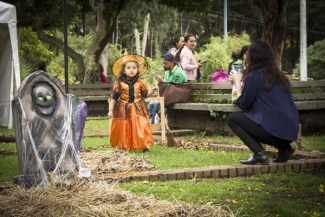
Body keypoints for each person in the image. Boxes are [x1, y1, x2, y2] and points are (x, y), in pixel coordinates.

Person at [227, 39, 299, 165]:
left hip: (274, 131)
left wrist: (238, 82)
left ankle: (259, 153)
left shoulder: (255, 76)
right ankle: (284, 148)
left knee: (233, 118)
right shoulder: (280, 76)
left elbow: (243, 104)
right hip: (290, 132)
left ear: (253, 56)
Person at [108, 51, 157, 151]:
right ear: (124, 71)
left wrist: (153, 90)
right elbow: (114, 98)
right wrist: (110, 110)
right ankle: (123, 145)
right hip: (123, 108)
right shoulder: (119, 84)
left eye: (134, 68)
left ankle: (143, 145)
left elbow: (145, 95)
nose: (131, 70)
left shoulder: (140, 83)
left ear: (137, 70)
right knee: (123, 127)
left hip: (138, 108)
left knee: (140, 126)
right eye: (128, 68)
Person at [148, 53, 187, 124]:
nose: (163, 65)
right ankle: (152, 122)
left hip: (177, 96)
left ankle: (155, 123)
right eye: (163, 63)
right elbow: (166, 87)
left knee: (156, 103)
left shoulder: (178, 73)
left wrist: (162, 82)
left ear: (172, 63)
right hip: (169, 96)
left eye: (165, 63)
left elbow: (174, 88)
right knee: (152, 103)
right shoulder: (167, 73)